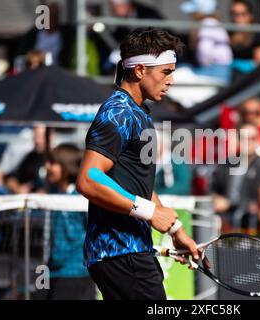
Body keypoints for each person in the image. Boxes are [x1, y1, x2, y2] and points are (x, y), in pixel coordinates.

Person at [76, 28, 200, 300]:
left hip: (129, 252)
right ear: (140, 70)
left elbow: (136, 181)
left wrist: (175, 230)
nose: (171, 80)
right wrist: (148, 212)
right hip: (121, 254)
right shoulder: (118, 112)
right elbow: (88, 179)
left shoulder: (138, 112)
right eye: (166, 72)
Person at [37, 144, 96, 300]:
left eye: (53, 163)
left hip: (76, 273)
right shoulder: (53, 194)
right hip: (48, 271)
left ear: (66, 166)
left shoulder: (82, 197)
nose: (47, 167)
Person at [180, 0, 233, 82]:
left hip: (214, 71)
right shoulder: (213, 22)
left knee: (180, 74)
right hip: (220, 69)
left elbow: (204, 50)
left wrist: (202, 65)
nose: (191, 15)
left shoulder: (207, 23)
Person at [229, 0, 260, 79]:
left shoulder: (258, 34)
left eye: (242, 14)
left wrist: (241, 65)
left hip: (249, 79)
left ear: (250, 15)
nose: (238, 18)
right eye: (234, 14)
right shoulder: (228, 33)